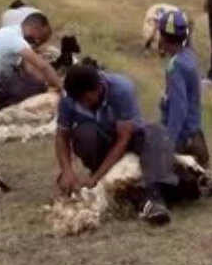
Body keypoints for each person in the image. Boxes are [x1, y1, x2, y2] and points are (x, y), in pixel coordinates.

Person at [54, 64, 177, 225]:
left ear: (97, 88)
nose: (82, 103)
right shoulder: (69, 99)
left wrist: (96, 178)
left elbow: (123, 140)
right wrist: (66, 170)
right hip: (101, 143)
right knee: (84, 133)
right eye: (78, 100)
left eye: (85, 99)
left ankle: (153, 197)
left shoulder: (121, 89)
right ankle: (102, 181)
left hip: (130, 139)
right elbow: (62, 136)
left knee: (156, 133)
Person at [0, 12, 63, 111]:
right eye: (41, 38)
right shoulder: (16, 40)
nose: (38, 42)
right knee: (38, 88)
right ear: (36, 29)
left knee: (33, 82)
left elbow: (29, 69)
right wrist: (60, 87)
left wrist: (48, 82)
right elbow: (43, 66)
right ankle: (4, 109)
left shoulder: (11, 31)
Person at [156, 9, 210, 166]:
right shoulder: (188, 55)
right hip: (194, 131)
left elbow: (178, 108)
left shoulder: (176, 66)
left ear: (163, 37)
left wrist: (169, 143)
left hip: (183, 137)